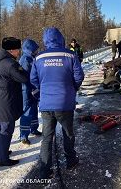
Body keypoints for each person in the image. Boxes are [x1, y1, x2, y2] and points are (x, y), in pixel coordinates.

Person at [30, 27, 84, 179]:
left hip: (46, 104)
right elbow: (79, 76)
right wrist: (72, 88)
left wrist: (41, 93)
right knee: (68, 134)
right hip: (65, 103)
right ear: (61, 39)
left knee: (47, 137)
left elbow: (33, 80)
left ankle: (44, 170)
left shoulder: (38, 58)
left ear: (45, 40)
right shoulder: (70, 55)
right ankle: (71, 161)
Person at [0, 37, 28, 166]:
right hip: (7, 100)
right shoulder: (11, 64)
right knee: (6, 129)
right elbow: (23, 78)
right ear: (12, 50)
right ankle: (3, 159)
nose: (19, 52)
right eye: (18, 49)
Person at [19, 39, 41, 146]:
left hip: (33, 89)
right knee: (26, 112)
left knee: (33, 110)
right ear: (29, 49)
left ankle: (34, 129)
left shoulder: (32, 58)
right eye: (35, 49)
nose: (37, 51)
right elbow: (25, 77)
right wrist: (31, 88)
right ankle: (23, 135)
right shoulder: (25, 60)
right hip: (26, 90)